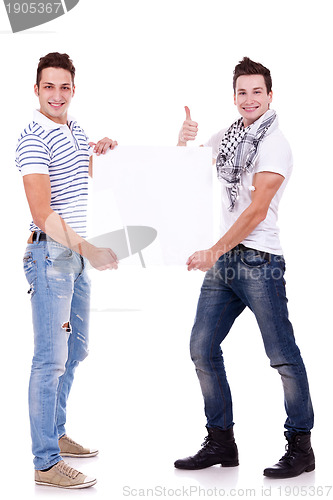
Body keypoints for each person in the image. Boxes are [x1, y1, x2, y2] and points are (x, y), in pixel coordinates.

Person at [174, 57, 314, 479]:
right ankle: (221, 441)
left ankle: (301, 446)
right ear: (234, 97)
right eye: (242, 92)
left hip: (260, 262)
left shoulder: (276, 143)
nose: (249, 99)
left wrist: (213, 251)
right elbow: (186, 174)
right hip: (226, 262)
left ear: (270, 96)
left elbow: (255, 211)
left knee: (282, 356)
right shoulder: (231, 136)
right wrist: (182, 142)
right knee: (202, 347)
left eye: (257, 91)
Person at [16, 52, 119, 489]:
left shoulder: (76, 129)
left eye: (64, 87)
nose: (56, 94)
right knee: (49, 360)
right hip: (50, 256)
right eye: (48, 86)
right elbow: (43, 213)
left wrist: (106, 152)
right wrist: (89, 248)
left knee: (75, 352)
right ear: (36, 90)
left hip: (73, 259)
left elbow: (87, 175)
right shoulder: (32, 135)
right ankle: (46, 463)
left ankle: (55, 434)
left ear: (73, 90)